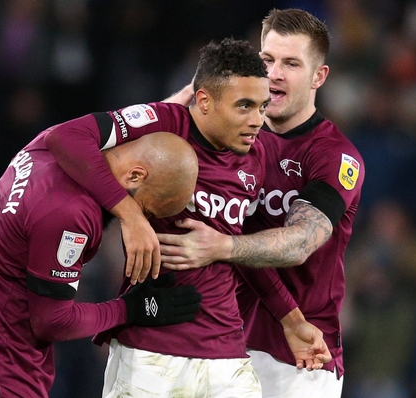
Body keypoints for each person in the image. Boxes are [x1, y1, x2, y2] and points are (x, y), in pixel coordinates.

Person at [44, 37, 283, 397]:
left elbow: (244, 254)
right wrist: (131, 216)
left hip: (226, 353)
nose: (257, 120)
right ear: (203, 101)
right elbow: (66, 137)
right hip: (150, 349)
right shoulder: (162, 122)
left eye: (263, 106)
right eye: (244, 106)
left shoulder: (258, 155)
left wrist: (292, 319)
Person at [0, 130, 203, 397]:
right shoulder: (71, 213)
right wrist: (131, 309)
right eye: (146, 211)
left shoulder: (41, 151)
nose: (143, 224)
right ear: (135, 176)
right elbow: (53, 321)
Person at [159, 8, 364, 398]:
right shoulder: (228, 135)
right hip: (217, 341)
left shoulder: (334, 155)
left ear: (319, 76)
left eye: (291, 63)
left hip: (297, 357)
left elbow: (302, 241)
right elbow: (146, 153)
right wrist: (180, 105)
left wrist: (222, 246)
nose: (274, 74)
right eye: (266, 60)